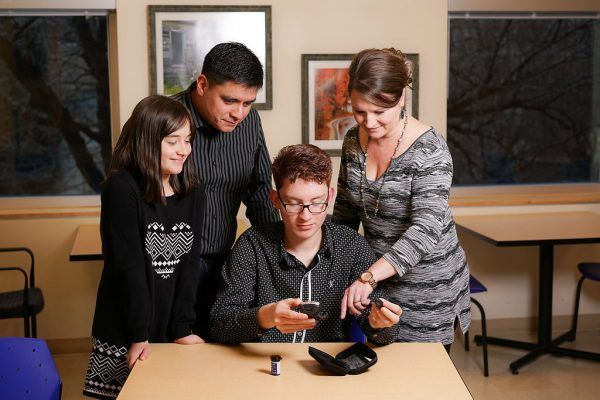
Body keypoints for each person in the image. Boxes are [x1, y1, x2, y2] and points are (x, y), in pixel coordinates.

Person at [333, 48, 471, 351]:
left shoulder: (430, 151)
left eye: (380, 112)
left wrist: (369, 277)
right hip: (375, 281)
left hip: (427, 287)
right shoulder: (353, 141)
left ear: (401, 99)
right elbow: (343, 216)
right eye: (359, 111)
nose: (368, 122)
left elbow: (425, 231)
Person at [210, 144, 402, 343]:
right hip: (264, 366)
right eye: (293, 203)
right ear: (275, 199)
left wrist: (379, 324)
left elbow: (384, 332)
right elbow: (219, 324)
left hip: (328, 369)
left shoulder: (350, 245)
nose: (306, 216)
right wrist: (264, 317)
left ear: (330, 196)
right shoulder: (253, 244)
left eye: (317, 202)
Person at [83, 96, 206, 399]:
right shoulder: (121, 188)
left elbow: (189, 266)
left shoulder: (192, 192)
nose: (184, 150)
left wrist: (182, 328)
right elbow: (129, 267)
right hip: (125, 328)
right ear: (148, 140)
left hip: (168, 328)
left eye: (187, 140)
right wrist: (139, 335)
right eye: (173, 140)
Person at [172, 42, 279, 334]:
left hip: (223, 265)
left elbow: (260, 195)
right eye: (230, 101)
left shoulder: (249, 124)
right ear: (203, 84)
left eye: (247, 103)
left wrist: (280, 255)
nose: (239, 113)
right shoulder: (163, 121)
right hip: (170, 270)